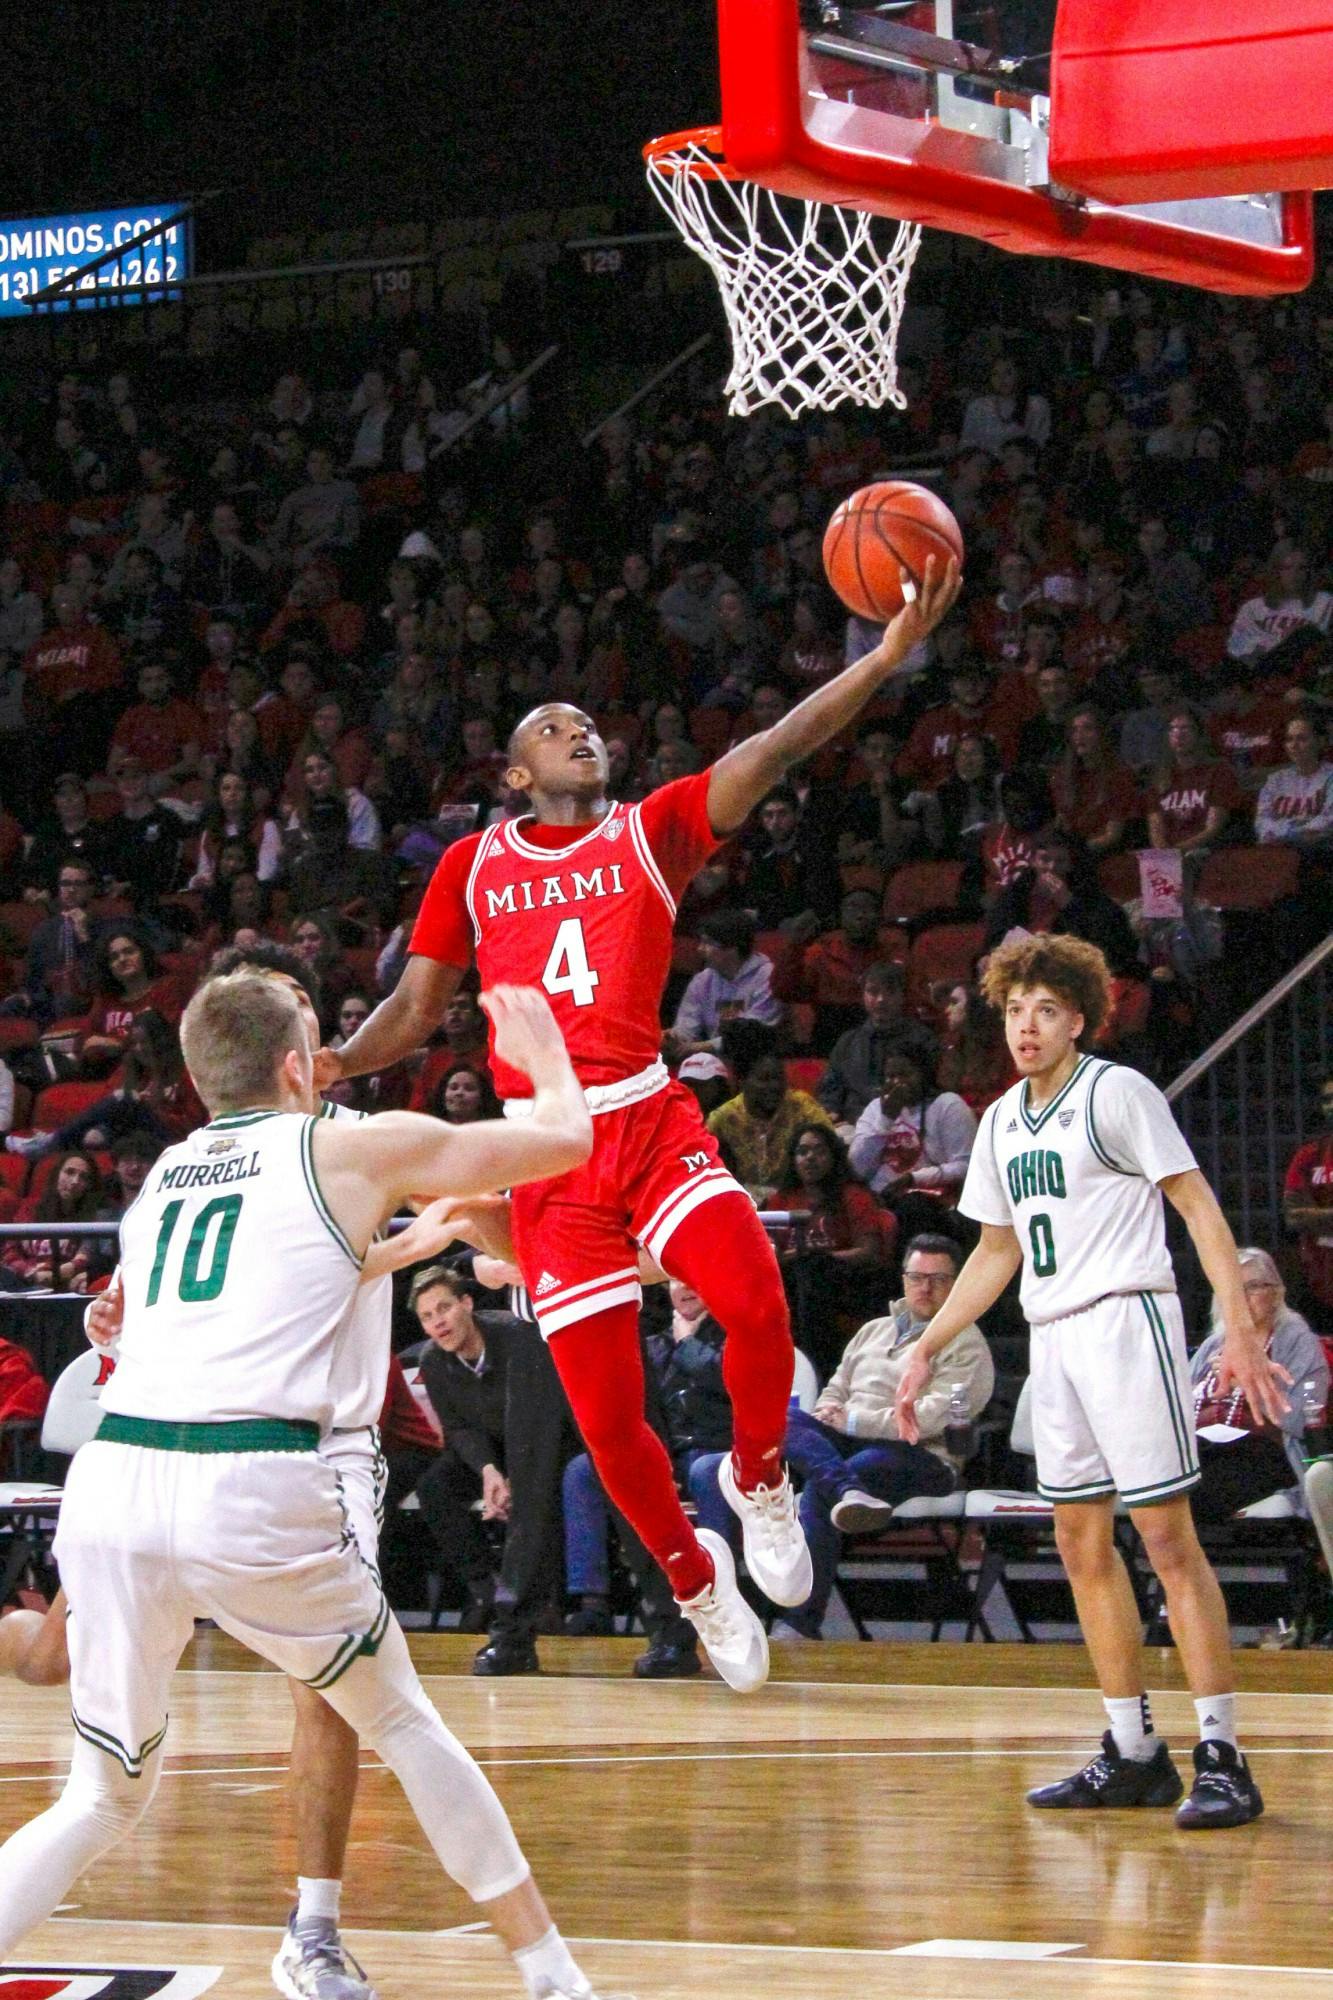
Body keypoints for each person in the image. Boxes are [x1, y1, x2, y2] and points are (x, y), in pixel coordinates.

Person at [316, 558, 962, 1687]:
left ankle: (759, 1479)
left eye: (588, 723)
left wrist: (883, 655)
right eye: (555, 728)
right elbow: (417, 1010)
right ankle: (695, 1583)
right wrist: (336, 1057)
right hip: (544, 1150)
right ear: (517, 771)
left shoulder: (650, 832)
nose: (583, 733)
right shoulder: (471, 866)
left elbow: (776, 748)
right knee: (610, 1422)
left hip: (643, 1116)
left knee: (756, 1292)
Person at [0, 972, 607, 2000]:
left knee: (100, 1795)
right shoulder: (346, 1144)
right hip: (253, 1473)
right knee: (402, 1718)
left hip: (117, 1479)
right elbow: (564, 1140)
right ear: (295, 1064)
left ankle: (324, 1927)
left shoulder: (165, 1174)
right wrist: (545, 1046)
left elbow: (141, 1310)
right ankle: (551, 1974)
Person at [895, 934, 1288, 1829]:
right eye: (1012, 1011)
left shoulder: (1116, 1092)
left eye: (1043, 1010)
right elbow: (995, 1251)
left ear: (1077, 1017)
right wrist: (929, 1339)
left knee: (1164, 1535)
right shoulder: (998, 1121)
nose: (1025, 1027)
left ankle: (1222, 1755)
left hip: (1126, 1318)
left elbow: (1195, 1203)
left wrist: (1235, 1325)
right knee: (1077, 1540)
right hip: (1054, 1335)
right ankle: (1132, 1751)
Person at [775, 1233, 995, 1638]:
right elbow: (835, 1390)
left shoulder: (967, 1342)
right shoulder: (872, 1330)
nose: (925, 1287)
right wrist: (830, 1413)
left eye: (939, 1279)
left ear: (958, 1283)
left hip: (924, 1455)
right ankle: (845, 1489)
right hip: (849, 1442)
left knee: (832, 1483)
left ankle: (799, 1623)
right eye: (916, 1277)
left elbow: (928, 1419)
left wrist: (854, 1421)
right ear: (903, 1278)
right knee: (775, 1420)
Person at [409, 1264, 572, 1673]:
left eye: (444, 1308)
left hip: (546, 1440)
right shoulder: (433, 1359)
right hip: (490, 1447)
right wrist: (486, 1469)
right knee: (436, 1487)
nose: (438, 1323)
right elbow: (458, 1428)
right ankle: (486, 1589)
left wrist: (511, 1476)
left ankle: (520, 1617)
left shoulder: (516, 1337)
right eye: (427, 1317)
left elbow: (538, 1421)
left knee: (534, 1499)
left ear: (468, 1303)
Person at [1188, 1248, 1330, 1524]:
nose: (1241, 1298)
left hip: (1263, 1452)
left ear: (1277, 1293)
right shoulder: (1213, 1345)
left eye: (1252, 1287)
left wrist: (1250, 1383)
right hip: (1200, 1448)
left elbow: (1304, 1420)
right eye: (1232, 1289)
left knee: (1187, 1487)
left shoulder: (1298, 1343)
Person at [848, 1041, 977, 1228]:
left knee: (911, 1209)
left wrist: (915, 1178)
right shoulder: (876, 1109)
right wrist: (886, 1118)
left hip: (927, 1199)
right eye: (890, 1076)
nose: (897, 1083)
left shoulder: (948, 1105)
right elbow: (856, 1168)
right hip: (878, 1196)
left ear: (924, 1074)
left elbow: (967, 1166)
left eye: (905, 1075)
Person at [706, 1021, 834, 1206]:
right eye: (764, 1079)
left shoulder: (803, 1107)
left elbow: (831, 1150)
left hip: (795, 1202)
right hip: (741, 1205)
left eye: (778, 1078)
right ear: (742, 1081)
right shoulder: (722, 1118)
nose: (774, 1086)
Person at [667, 907, 783, 1059]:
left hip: (759, 1060)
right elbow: (686, 1028)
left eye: (708, 943)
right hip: (714, 1061)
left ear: (732, 947)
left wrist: (697, 1047)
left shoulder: (767, 976)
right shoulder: (702, 980)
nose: (700, 949)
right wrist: (672, 1039)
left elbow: (754, 1035)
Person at [815, 962, 914, 1132]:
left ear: (903, 995)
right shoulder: (847, 1042)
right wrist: (831, 1112)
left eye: (890, 991)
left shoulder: (920, 1039)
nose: (881, 999)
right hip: (853, 1126)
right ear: (863, 995)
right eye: (873, 992)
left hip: (907, 1124)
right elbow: (830, 1090)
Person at [1282, 1072, 1333, 1317]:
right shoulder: (1309, 1155)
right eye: (1327, 1099)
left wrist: (1316, 1215)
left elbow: (1306, 1216)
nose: (1331, 1105)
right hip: (1319, 1277)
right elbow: (1294, 1216)